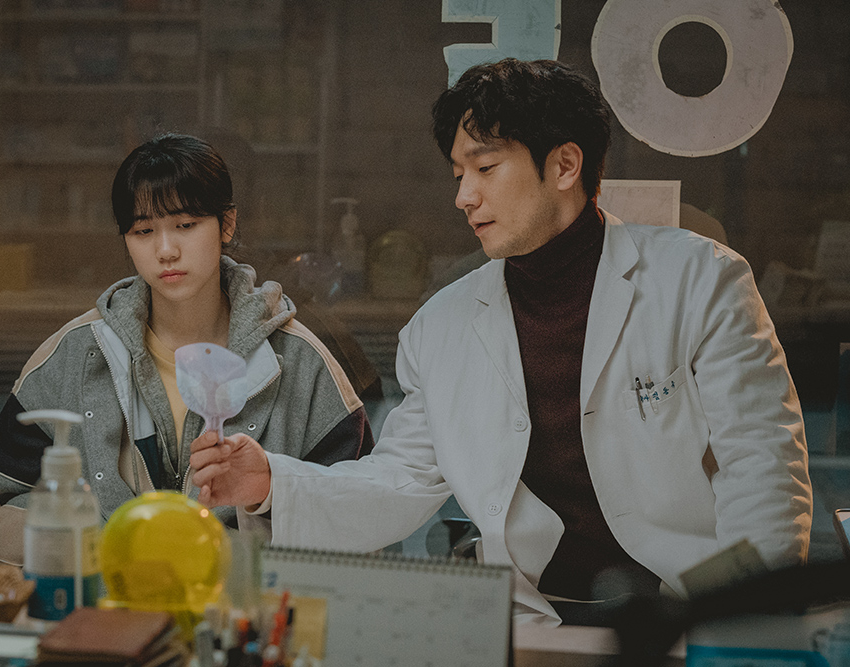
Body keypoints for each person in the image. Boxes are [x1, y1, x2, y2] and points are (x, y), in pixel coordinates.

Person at [187, 59, 813, 627]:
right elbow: (400, 478)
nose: (464, 196)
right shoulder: (441, 327)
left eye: (485, 168)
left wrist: (749, 629)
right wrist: (271, 481)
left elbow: (761, 469)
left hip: (690, 617)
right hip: (533, 621)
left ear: (564, 166)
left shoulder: (699, 280)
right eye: (459, 174)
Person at [0, 133, 374, 565]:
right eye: (143, 231)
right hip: (105, 602)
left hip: (244, 605)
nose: (165, 250)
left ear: (227, 224)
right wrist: (101, 552)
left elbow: (359, 519)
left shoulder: (303, 363)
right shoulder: (73, 354)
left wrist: (260, 504)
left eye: (185, 225)